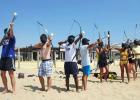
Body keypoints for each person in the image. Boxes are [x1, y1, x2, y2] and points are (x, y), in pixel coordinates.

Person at [0, 23, 16, 93]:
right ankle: (6, 88)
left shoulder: (12, 39)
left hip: (10, 57)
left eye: (8, 32)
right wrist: (3, 37)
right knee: (2, 74)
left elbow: (12, 34)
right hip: (3, 58)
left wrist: (11, 27)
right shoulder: (3, 40)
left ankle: (13, 90)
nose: (8, 33)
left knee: (11, 74)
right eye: (6, 32)